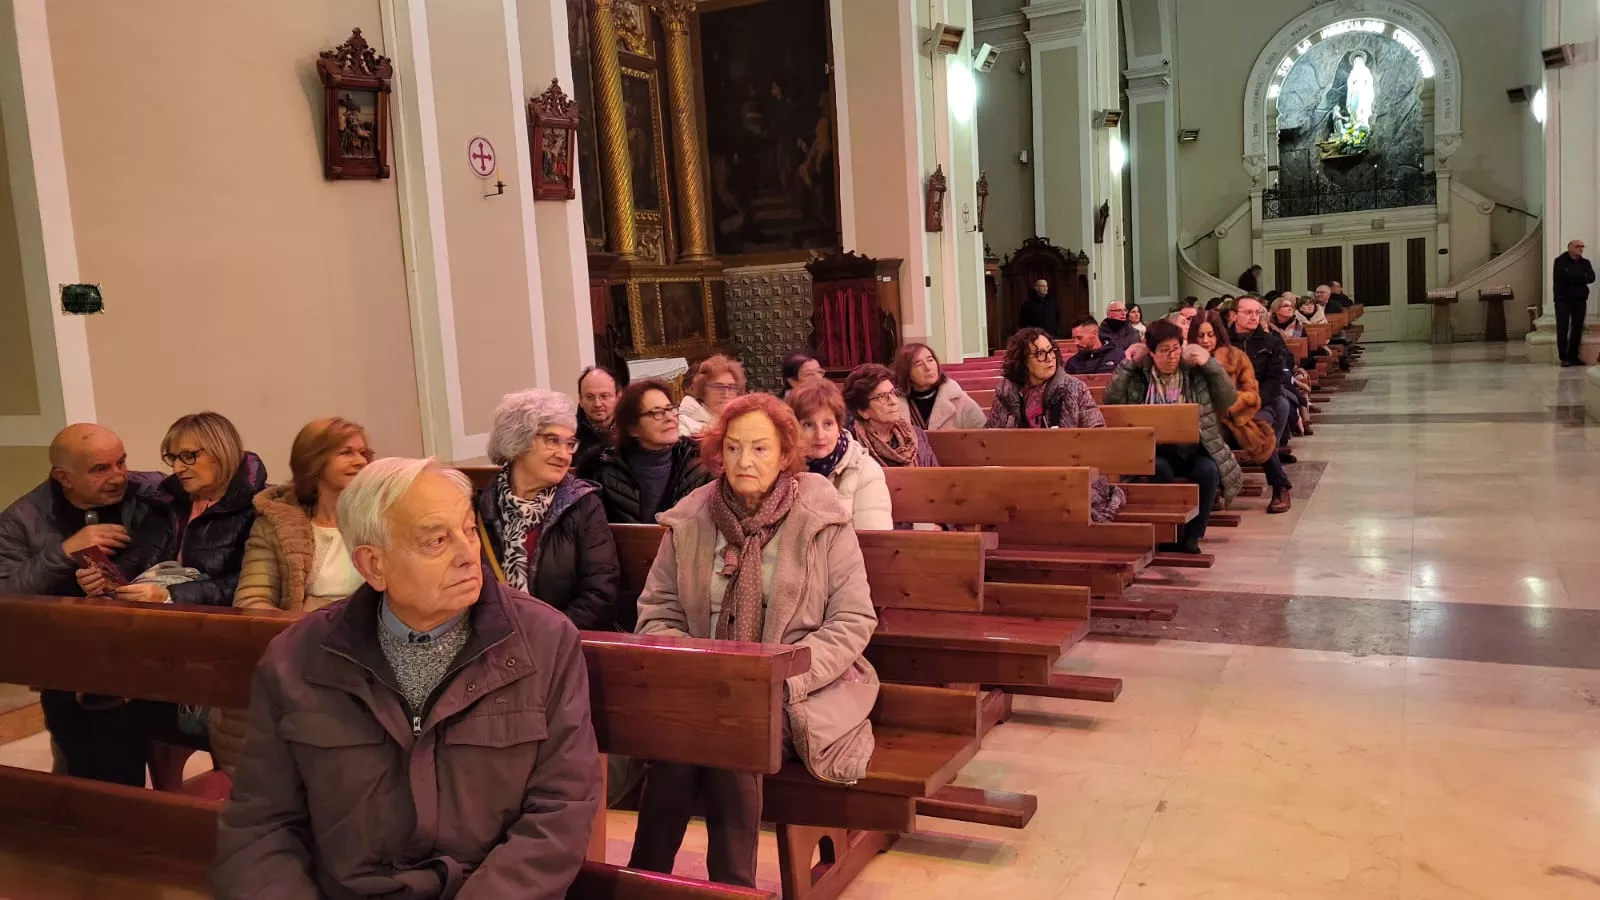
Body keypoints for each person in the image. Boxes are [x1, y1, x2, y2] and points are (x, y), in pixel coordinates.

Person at [214, 458, 600, 899]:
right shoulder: (297, 658)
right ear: (373, 565)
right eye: (437, 540)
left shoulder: (543, 641)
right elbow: (262, 824)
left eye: (469, 529)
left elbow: (560, 811)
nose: (466, 554)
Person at [630, 394, 878, 887]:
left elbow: (852, 619)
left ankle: (730, 886)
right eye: (735, 448)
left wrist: (781, 680)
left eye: (760, 449)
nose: (745, 461)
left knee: (734, 736)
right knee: (678, 744)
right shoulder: (691, 518)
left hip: (802, 689)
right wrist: (699, 671)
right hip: (703, 688)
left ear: (786, 454)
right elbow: (658, 612)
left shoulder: (821, 517)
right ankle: (641, 883)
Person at [1, 424, 174, 787]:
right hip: (66, 659)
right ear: (63, 477)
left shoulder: (151, 494)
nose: (118, 476)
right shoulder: (21, 521)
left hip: (149, 647)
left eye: (121, 461)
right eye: (101, 469)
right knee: (88, 762)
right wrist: (64, 552)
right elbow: (6, 599)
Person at [208, 418, 374, 774]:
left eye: (364, 452)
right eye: (346, 452)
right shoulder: (277, 522)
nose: (360, 460)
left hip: (371, 657)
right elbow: (253, 602)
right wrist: (308, 635)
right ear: (314, 461)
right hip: (298, 653)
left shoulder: (382, 519)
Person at [79, 412, 267, 606]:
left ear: (222, 452)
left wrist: (170, 595)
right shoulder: (168, 500)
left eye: (188, 456)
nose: (177, 468)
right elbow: (137, 558)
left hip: (217, 623)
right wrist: (104, 580)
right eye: (172, 458)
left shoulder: (260, 507)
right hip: (155, 618)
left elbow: (249, 585)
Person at [476, 389, 620, 631]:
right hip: (492, 644)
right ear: (518, 440)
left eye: (570, 443)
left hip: (560, 644)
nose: (564, 455)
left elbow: (601, 592)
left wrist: (545, 635)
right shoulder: (481, 506)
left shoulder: (583, 504)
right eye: (553, 440)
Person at [1105, 321, 1242, 553]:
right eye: (1164, 351)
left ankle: (1193, 536)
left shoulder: (1195, 371)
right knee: (1158, 470)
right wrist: (1127, 365)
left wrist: (1210, 364)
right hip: (1155, 449)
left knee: (1207, 472)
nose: (1172, 356)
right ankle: (1169, 533)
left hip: (1197, 446)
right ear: (1151, 351)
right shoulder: (1140, 375)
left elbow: (1227, 399)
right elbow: (1112, 401)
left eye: (1176, 348)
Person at [985, 328, 1125, 522]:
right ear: (1022, 362)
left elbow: (1097, 437)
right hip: (1022, 477)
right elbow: (990, 443)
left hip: (1070, 476)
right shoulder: (1006, 396)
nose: (1050, 358)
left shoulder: (1074, 389)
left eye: (1051, 351)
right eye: (1040, 354)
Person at [1189, 312, 1292, 513]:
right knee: (1204, 437)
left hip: (1232, 419)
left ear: (1218, 334)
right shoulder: (1187, 359)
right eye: (1201, 336)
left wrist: (1230, 407)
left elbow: (1252, 395)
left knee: (1259, 436)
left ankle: (1280, 487)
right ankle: (1213, 489)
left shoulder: (1235, 356)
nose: (1206, 341)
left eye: (1210, 335)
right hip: (1199, 422)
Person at [581, 379, 713, 525]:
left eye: (670, 409)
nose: (670, 418)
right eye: (656, 413)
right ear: (632, 428)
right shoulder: (604, 470)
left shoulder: (699, 462)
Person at [788, 379, 892, 530]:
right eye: (808, 425)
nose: (820, 435)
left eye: (828, 424)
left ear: (839, 427)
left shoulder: (865, 470)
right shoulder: (783, 469)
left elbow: (873, 541)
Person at [1230, 295, 1298, 465]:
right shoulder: (1223, 342)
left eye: (1257, 312)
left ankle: (1270, 452)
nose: (1254, 317)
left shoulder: (1270, 342)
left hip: (1261, 396)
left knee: (1282, 404)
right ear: (1233, 315)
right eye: (1248, 312)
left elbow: (1274, 378)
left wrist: (1255, 400)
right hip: (1231, 398)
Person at [842, 364, 938, 468]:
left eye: (893, 393)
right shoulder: (850, 446)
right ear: (862, 411)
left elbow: (936, 477)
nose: (893, 401)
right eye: (882, 397)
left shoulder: (916, 435)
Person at [892, 342, 986, 430]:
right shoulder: (894, 403)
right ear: (906, 372)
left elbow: (984, 436)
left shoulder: (959, 400)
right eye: (919, 364)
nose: (928, 368)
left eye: (930, 360)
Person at [678, 354, 745, 436]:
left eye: (732, 387)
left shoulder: (745, 420)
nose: (726, 394)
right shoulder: (683, 422)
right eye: (718, 387)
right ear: (702, 390)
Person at [1553, 239, 1594, 366]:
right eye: (1577, 246)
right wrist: (1581, 277)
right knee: (1563, 328)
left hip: (1580, 300)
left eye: (1582, 246)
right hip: (1563, 300)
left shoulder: (1585, 262)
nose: (1580, 249)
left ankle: (1573, 356)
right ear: (1570, 247)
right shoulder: (1560, 261)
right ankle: (1564, 357)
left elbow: (1591, 277)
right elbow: (1563, 277)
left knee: (1577, 328)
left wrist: (1574, 277)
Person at [576, 365, 623, 470]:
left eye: (604, 396)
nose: (597, 404)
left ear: (618, 397)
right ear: (580, 400)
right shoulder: (569, 435)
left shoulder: (634, 431)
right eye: (589, 397)